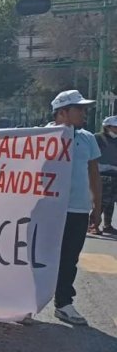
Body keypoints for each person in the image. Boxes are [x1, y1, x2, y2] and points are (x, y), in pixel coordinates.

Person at [50, 90, 101, 325]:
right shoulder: (41, 137)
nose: (83, 113)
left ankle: (63, 303)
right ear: (62, 112)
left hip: (77, 210)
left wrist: (97, 207)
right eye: (78, 109)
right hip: (47, 210)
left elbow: (93, 173)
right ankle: (28, 303)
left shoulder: (88, 138)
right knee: (38, 256)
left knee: (69, 258)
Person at [93, 116, 117, 234]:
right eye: (115, 127)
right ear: (107, 127)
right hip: (102, 174)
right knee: (102, 201)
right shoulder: (98, 138)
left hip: (114, 174)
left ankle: (107, 225)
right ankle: (93, 223)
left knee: (111, 201)